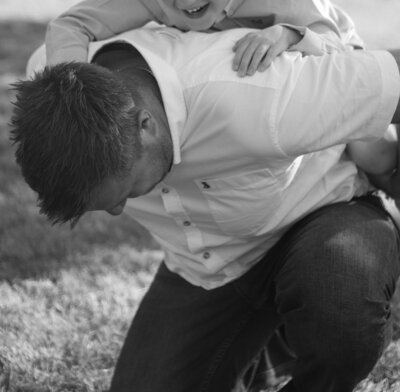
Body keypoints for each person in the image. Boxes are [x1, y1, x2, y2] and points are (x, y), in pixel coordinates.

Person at [10, 25, 400, 392]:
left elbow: (391, 78)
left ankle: (310, 331)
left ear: (146, 125)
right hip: (206, 266)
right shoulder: (52, 79)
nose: (116, 212)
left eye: (125, 192)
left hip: (324, 216)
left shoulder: (251, 91)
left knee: (340, 309)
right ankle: (267, 347)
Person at [43, 0, 396, 211]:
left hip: (332, 46)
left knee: (372, 155)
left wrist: (289, 34)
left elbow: (336, 46)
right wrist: (73, 97)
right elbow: (70, 25)